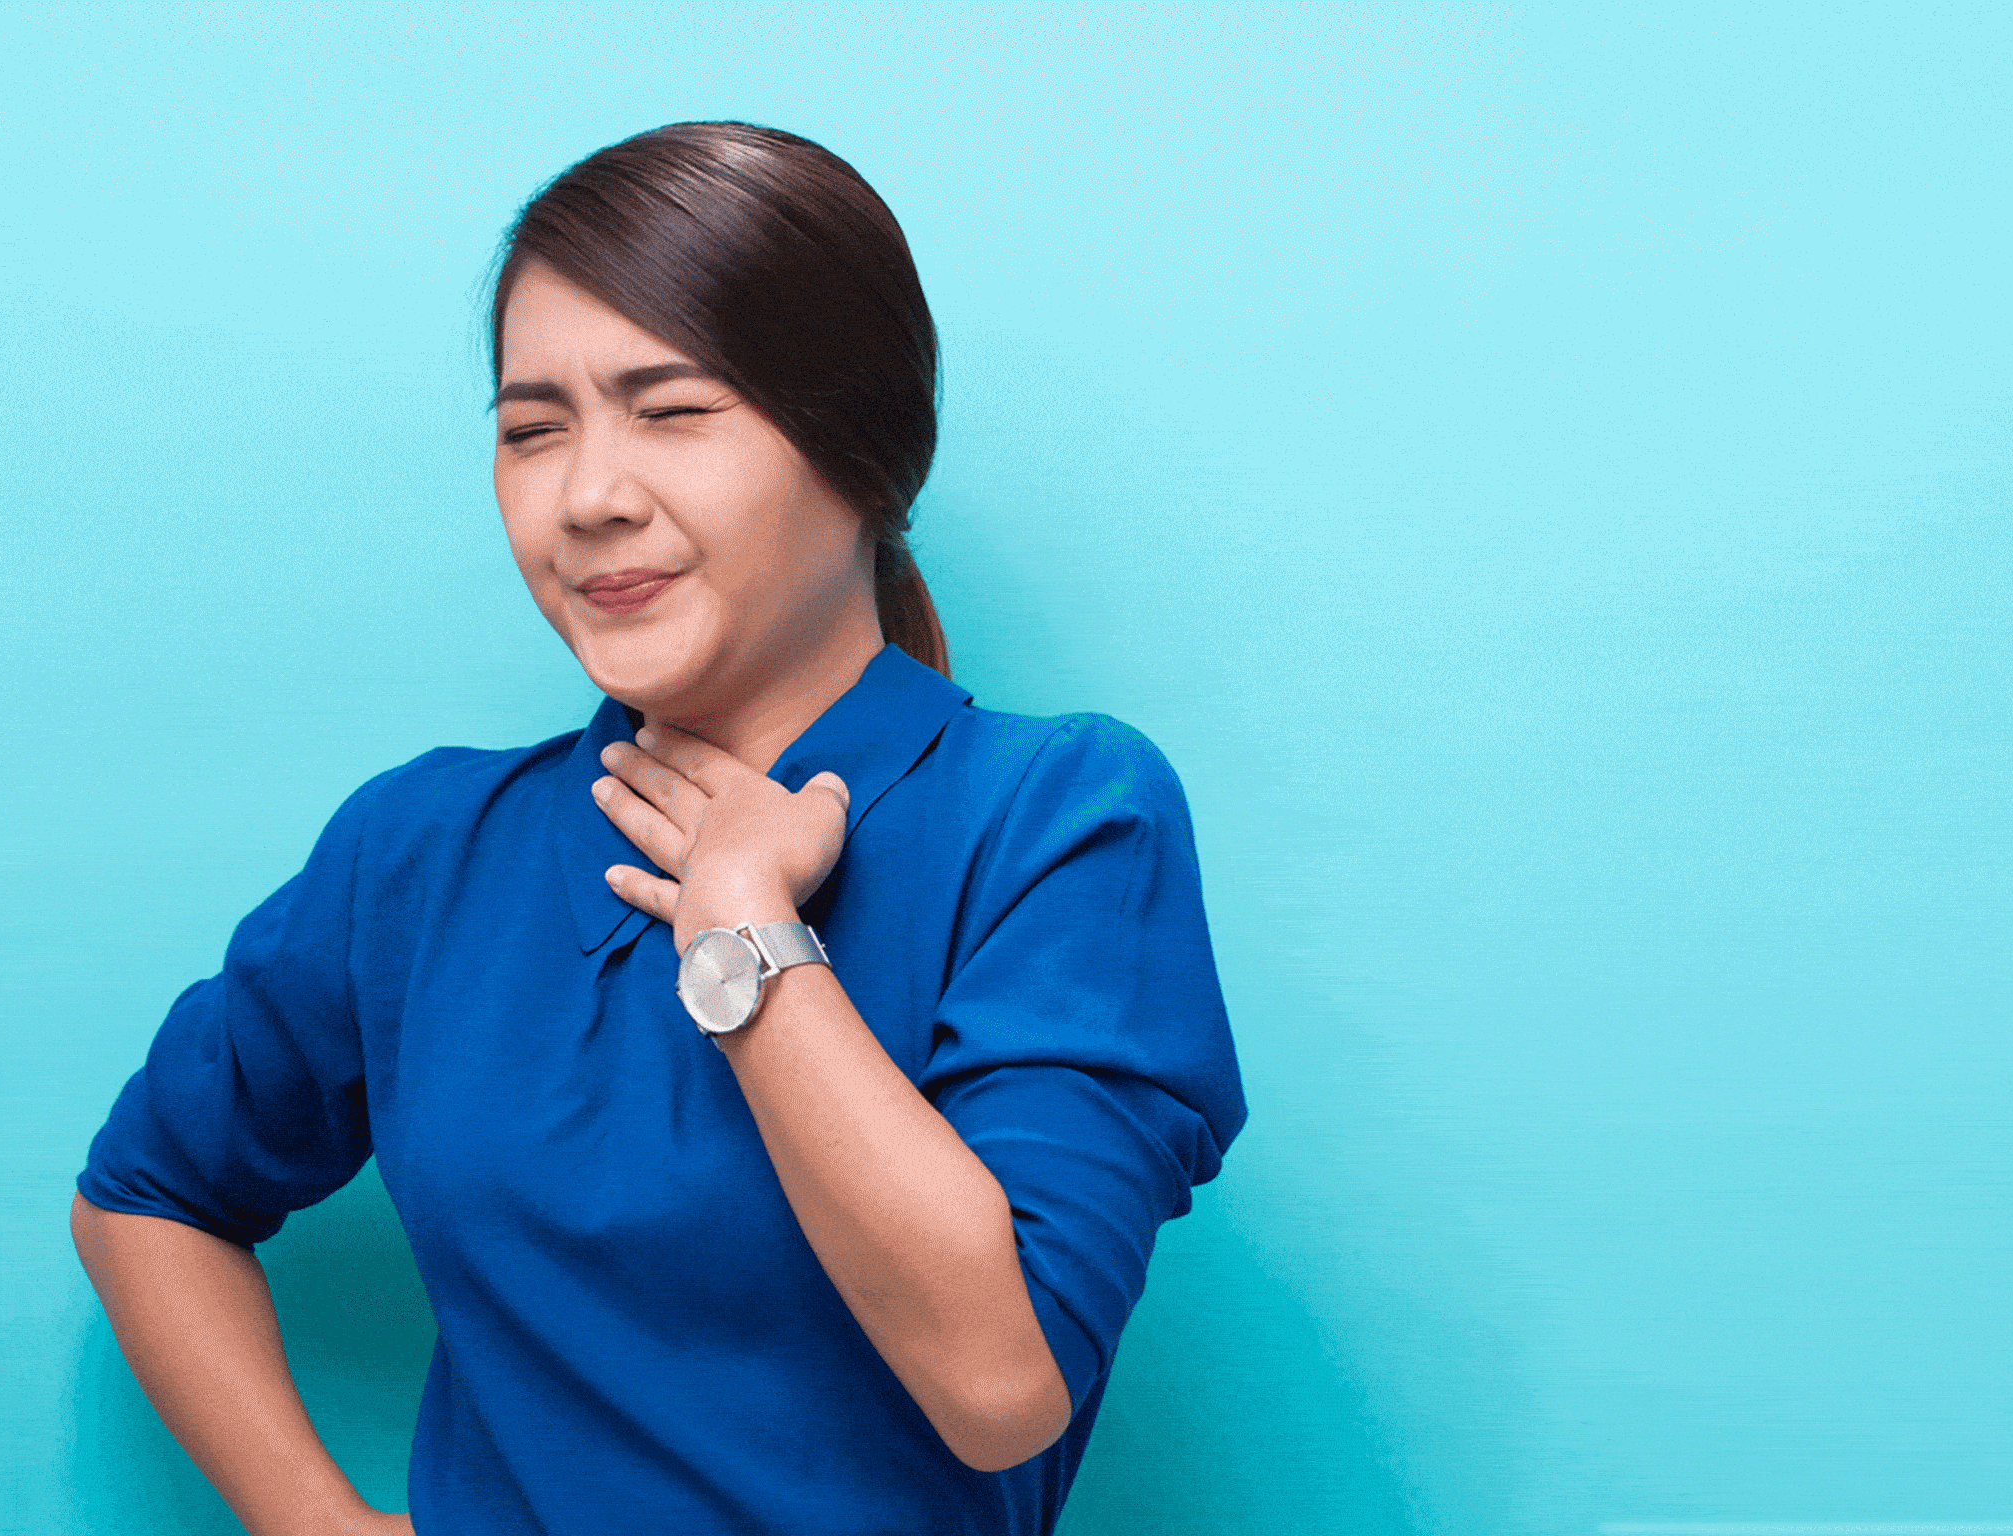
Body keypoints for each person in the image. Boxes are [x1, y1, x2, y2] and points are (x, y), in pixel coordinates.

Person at [69, 120, 1248, 1536]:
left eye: (673, 410)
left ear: (862, 448)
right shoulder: (420, 854)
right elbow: (145, 1191)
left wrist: (746, 930)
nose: (589, 497)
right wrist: (315, 1520)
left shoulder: (1062, 822)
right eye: (532, 429)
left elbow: (1002, 1386)